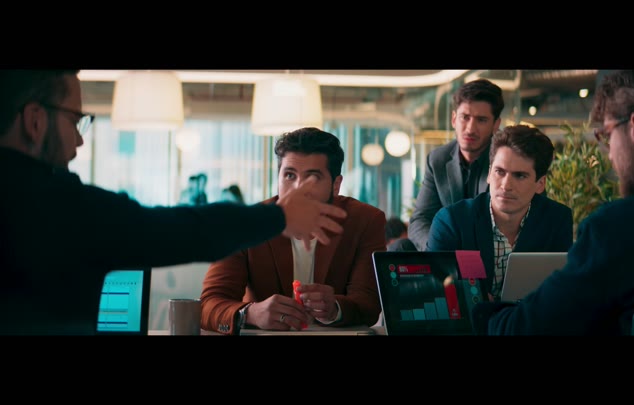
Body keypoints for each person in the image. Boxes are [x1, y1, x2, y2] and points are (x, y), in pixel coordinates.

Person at [0, 70, 347, 335]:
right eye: (75, 120)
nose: (79, 140)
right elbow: (177, 231)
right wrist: (277, 217)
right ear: (35, 120)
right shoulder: (60, 206)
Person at [473, 69, 634, 335]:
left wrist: (486, 315)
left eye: (607, 134)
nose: (609, 154)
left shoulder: (619, 229)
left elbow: (527, 327)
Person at [200, 127, 386, 334]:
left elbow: (368, 305)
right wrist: (250, 313)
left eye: (313, 177)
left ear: (335, 185)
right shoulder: (246, 223)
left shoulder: (365, 221)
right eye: (289, 175)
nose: (298, 188)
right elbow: (208, 305)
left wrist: (335, 309)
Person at [427, 125, 573, 301]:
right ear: (489, 174)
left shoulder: (557, 219)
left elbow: (560, 291)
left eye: (519, 176)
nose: (506, 185)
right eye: (499, 172)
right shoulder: (452, 221)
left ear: (540, 184)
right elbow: (434, 292)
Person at [392, 78, 505, 252]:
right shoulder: (438, 159)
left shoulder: (504, 161)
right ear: (454, 119)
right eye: (465, 117)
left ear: (495, 125)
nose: (470, 128)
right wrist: (438, 249)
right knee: (400, 247)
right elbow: (421, 219)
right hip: (445, 252)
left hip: (490, 252)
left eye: (481, 120)